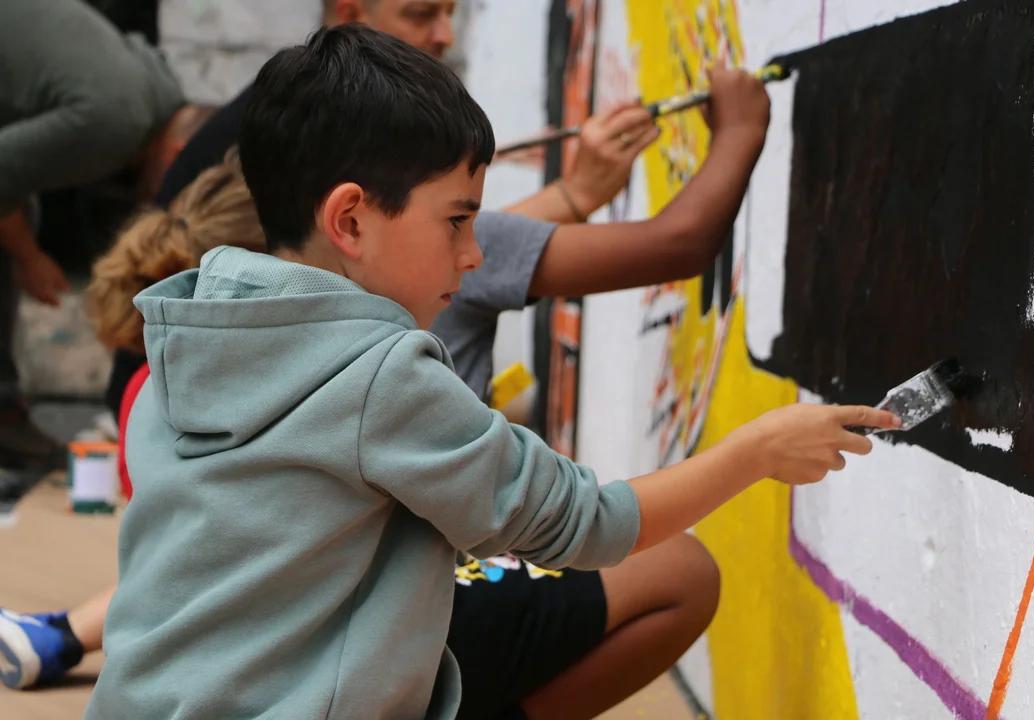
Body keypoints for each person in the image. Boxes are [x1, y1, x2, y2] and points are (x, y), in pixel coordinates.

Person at [75, 25, 897, 720]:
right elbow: (584, 524)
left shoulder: (190, 329)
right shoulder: (380, 375)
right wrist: (755, 451)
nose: (473, 255)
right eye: (458, 221)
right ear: (350, 219)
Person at [0, 0, 215, 471]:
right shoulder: (117, 123)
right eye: (184, 190)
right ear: (178, 153)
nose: (169, 205)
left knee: (21, 208)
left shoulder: (160, 89)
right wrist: (29, 257)